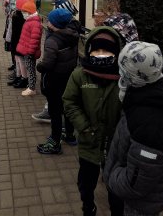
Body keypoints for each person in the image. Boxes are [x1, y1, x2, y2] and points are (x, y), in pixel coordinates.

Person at [104, 41, 163, 216]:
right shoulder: (148, 94)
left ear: (132, 76)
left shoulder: (152, 123)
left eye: (122, 70)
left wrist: (111, 175)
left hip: (139, 204)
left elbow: (135, 184)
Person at [63, 26, 124, 216]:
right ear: (89, 50)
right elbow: (70, 102)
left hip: (115, 145)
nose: (101, 54)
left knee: (115, 185)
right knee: (86, 180)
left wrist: (122, 134)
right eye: (97, 50)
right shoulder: (80, 75)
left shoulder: (124, 77)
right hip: (89, 142)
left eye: (106, 50)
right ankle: (88, 205)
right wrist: (84, 127)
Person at [36, 8, 79, 155]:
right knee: (67, 108)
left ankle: (54, 142)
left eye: (49, 20)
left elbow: (47, 63)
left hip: (54, 81)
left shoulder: (52, 40)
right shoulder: (73, 36)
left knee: (55, 112)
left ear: (54, 24)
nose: (47, 21)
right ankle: (70, 136)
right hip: (68, 78)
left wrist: (39, 66)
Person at [32, 0, 81, 122]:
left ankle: (52, 117)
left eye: (56, 8)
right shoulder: (68, 30)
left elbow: (51, 60)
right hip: (64, 70)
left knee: (55, 97)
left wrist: (41, 66)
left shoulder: (60, 33)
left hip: (55, 72)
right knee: (60, 95)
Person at [16, 0, 43, 96]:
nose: (23, 13)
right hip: (27, 50)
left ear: (30, 12)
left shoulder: (34, 23)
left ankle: (32, 88)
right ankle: (30, 86)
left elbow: (34, 39)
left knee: (31, 70)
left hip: (29, 52)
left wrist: (30, 52)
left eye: (24, 11)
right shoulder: (30, 21)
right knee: (29, 68)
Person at [8, 0, 29, 88]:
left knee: (21, 60)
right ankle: (18, 76)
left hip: (20, 41)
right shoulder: (16, 15)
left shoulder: (22, 16)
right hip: (16, 40)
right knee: (17, 59)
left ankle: (24, 78)